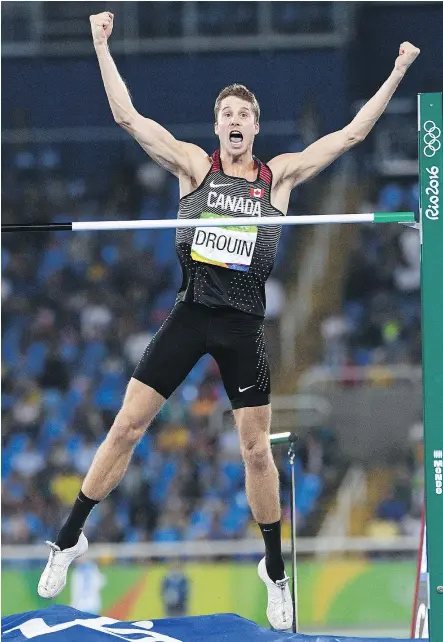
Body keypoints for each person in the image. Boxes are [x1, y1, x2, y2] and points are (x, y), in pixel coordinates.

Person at [37, 11, 420, 631]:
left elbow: (348, 136)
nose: (236, 122)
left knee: (255, 451)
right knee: (127, 428)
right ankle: (69, 536)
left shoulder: (279, 178)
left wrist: (399, 67)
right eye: (227, 115)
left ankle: (274, 570)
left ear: (256, 127)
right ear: (217, 127)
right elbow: (128, 118)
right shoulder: (193, 166)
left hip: (243, 324)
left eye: (245, 115)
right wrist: (100, 45)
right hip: (192, 314)